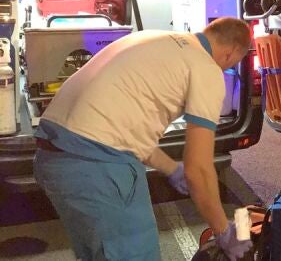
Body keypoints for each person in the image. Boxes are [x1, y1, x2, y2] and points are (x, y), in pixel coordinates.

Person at [33, 17, 253, 261]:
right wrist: (223, 231)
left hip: (53, 158)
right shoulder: (206, 68)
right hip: (98, 167)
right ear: (231, 52)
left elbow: (121, 127)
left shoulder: (153, 38)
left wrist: (171, 168)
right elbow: (199, 168)